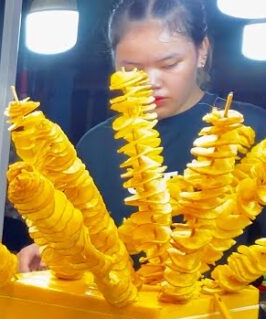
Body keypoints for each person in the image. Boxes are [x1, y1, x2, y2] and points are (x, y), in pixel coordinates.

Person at [18, 0, 266, 272]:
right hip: (119, 298)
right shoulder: (97, 146)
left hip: (222, 300)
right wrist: (54, 250)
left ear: (202, 51)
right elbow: (87, 239)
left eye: (169, 64)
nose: (150, 82)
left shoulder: (249, 130)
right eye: (132, 69)